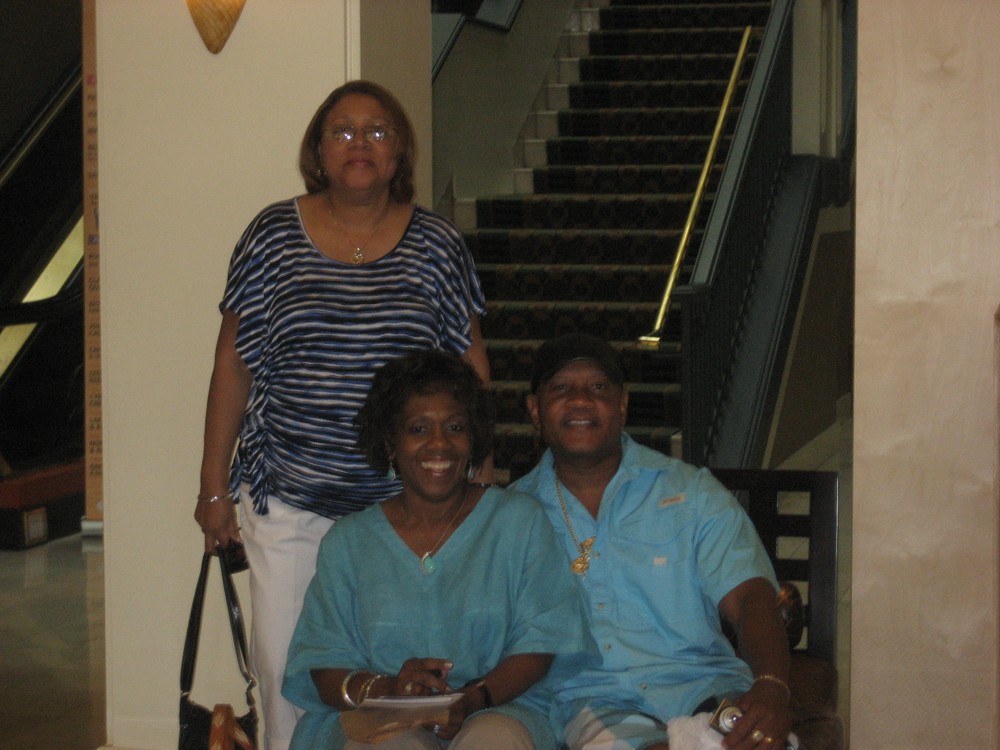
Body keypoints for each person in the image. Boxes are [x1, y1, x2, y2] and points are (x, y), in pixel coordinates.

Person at [194, 80, 489, 750]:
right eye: (343, 131)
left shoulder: (437, 243)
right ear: (319, 151)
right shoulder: (272, 235)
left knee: (397, 680)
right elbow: (232, 365)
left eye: (377, 131)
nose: (360, 143)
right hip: (290, 501)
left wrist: (479, 477)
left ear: (399, 151)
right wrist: (213, 488)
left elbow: (470, 372)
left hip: (405, 510)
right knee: (285, 676)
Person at [282, 350, 593, 750]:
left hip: (499, 707)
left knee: (494, 740)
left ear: (473, 438)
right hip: (381, 716)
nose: (439, 444)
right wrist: (389, 689)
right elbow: (323, 663)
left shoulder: (518, 522)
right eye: (418, 429)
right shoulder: (349, 542)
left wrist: (475, 697)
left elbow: (543, 642)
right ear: (390, 442)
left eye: (455, 427)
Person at [509, 333, 796, 750]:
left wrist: (771, 685)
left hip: (707, 686)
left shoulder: (691, 492)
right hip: (596, 701)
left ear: (622, 405)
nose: (580, 400)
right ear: (535, 409)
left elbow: (751, 594)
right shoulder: (514, 514)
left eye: (598, 387)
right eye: (561, 388)